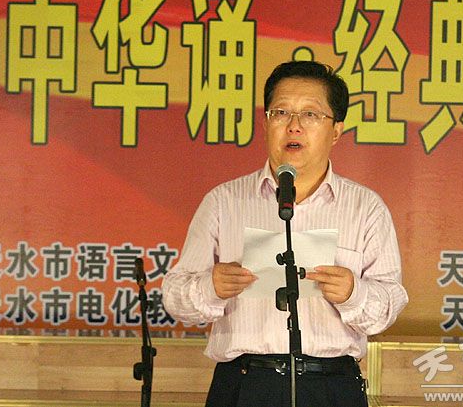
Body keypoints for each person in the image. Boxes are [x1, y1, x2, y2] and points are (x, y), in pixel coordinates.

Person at [162, 60, 408, 407]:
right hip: (245, 383)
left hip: (331, 386)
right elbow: (174, 297)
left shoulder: (365, 208)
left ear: (336, 130)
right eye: (280, 112)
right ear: (266, 123)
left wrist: (354, 293)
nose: (294, 126)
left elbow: (389, 305)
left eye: (310, 114)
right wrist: (209, 287)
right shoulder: (224, 202)